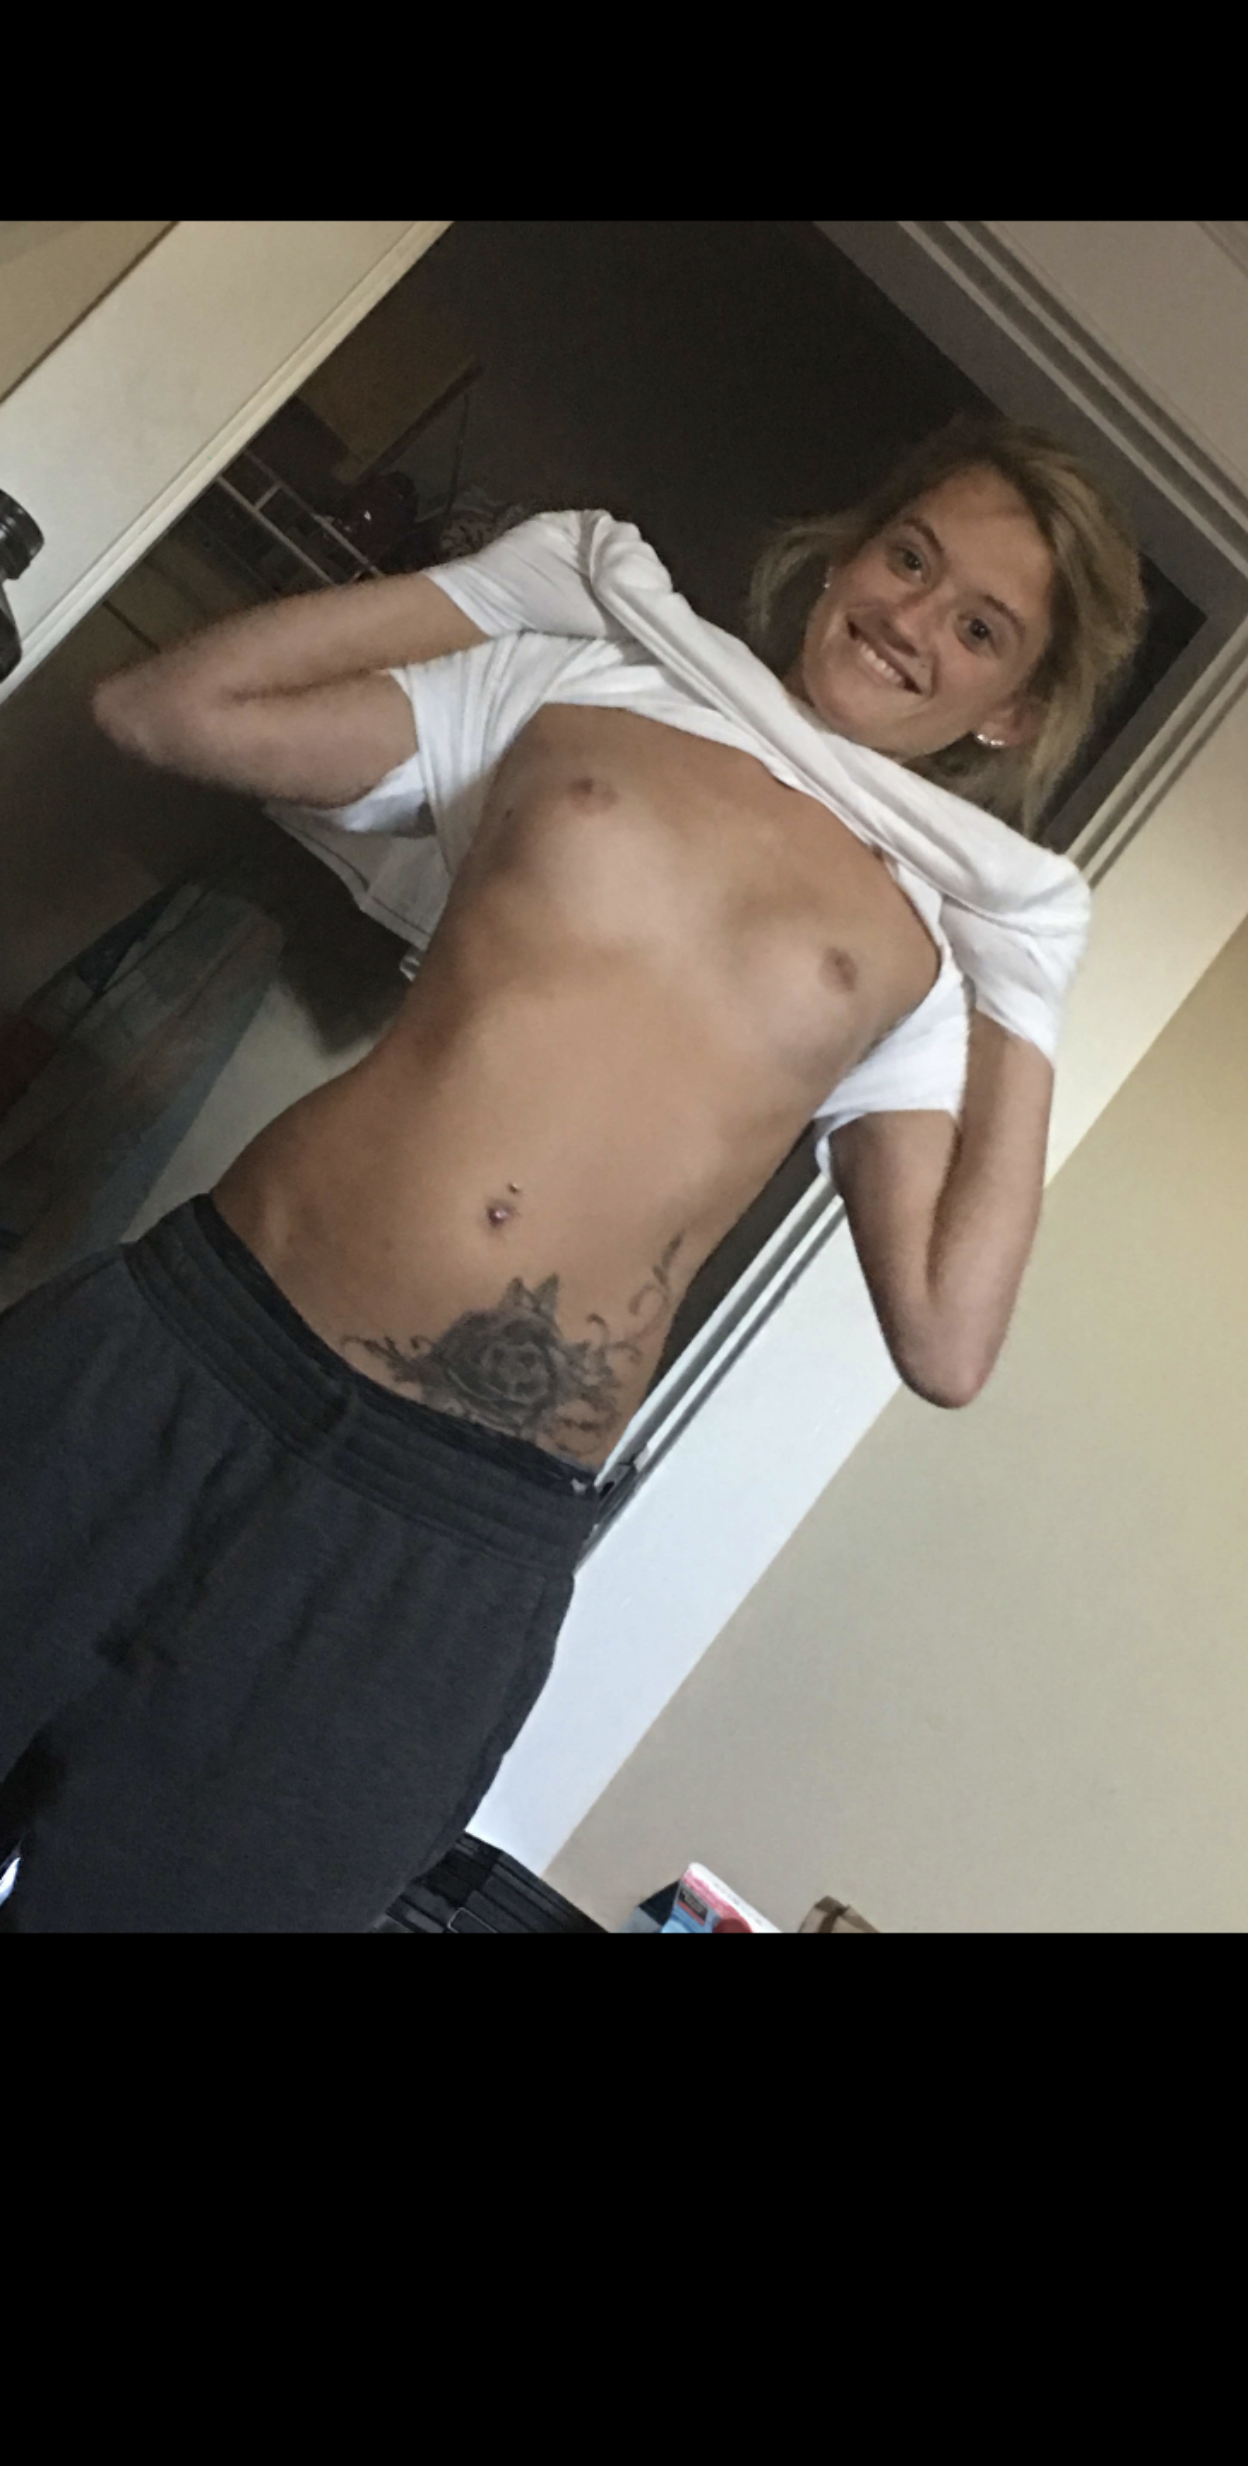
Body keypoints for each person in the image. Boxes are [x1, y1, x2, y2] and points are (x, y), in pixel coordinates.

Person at [0, 412, 1146, 1932]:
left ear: (1013, 713)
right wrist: (481, 590)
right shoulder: (580, 680)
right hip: (185, 1361)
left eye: (981, 627)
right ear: (845, 555)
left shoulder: (937, 949)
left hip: (434, 1545)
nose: (913, 618)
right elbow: (163, 706)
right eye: (909, 557)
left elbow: (947, 1336)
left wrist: (1032, 993)